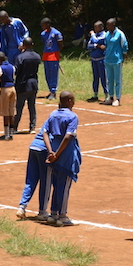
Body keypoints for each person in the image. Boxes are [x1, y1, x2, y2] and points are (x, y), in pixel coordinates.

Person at [44, 91, 81, 227]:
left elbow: (45, 132)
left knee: (56, 184)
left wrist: (51, 152)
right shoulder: (73, 116)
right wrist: (58, 154)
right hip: (65, 154)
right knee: (64, 185)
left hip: (53, 151)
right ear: (70, 100)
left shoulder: (53, 114)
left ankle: (53, 214)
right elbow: (67, 136)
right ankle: (63, 215)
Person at [15, 119, 52, 221]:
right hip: (44, 149)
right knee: (46, 182)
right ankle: (42, 211)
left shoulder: (51, 117)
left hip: (34, 146)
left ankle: (22, 207)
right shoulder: (65, 119)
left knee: (31, 180)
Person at [13, 37, 41, 134]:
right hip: (33, 84)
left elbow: (16, 71)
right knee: (32, 106)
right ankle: (32, 127)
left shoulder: (20, 57)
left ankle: (14, 127)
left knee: (19, 107)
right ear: (32, 45)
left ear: (23, 45)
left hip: (22, 85)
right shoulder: (37, 56)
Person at [101, 18, 128, 107]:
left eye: (109, 25)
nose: (107, 27)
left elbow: (124, 46)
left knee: (117, 80)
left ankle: (118, 99)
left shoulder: (120, 34)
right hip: (108, 59)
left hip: (117, 60)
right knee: (109, 80)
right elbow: (106, 45)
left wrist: (122, 58)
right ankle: (111, 97)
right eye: (107, 25)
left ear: (114, 25)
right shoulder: (107, 34)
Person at [0, 51, 16, 141]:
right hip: (13, 89)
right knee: (12, 111)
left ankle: (6, 134)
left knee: (5, 111)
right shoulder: (12, 67)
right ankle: (11, 133)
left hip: (5, 89)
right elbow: (12, 76)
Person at [40, 17, 63, 100]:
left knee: (53, 74)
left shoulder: (56, 33)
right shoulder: (43, 34)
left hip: (54, 55)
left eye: (43, 25)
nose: (42, 26)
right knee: (47, 74)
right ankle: (50, 90)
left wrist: (56, 52)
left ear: (48, 25)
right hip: (46, 55)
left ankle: (53, 91)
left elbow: (61, 44)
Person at [86, 21, 108, 102]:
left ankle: (106, 95)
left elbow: (95, 41)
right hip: (93, 59)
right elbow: (89, 46)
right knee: (95, 78)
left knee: (103, 77)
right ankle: (95, 94)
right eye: (94, 27)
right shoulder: (95, 35)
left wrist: (92, 35)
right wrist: (97, 46)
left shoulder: (104, 35)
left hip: (101, 59)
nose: (95, 29)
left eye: (96, 27)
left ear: (101, 27)